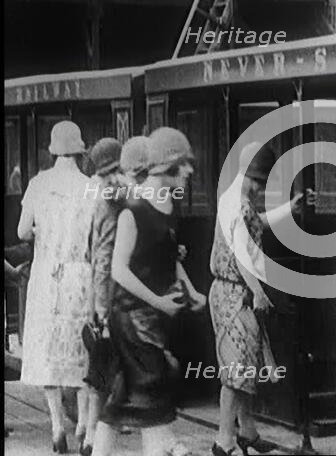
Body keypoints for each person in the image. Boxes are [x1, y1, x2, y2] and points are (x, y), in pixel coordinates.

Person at [92, 129, 205, 456]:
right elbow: (118, 270)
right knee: (154, 394)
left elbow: (168, 257)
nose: (189, 172)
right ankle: (164, 448)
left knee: (121, 398)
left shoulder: (169, 205)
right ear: (165, 167)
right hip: (132, 320)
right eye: (183, 165)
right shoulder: (134, 209)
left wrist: (190, 290)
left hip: (153, 317)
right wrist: (158, 301)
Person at [209, 142, 313, 456]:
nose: (259, 188)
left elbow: (256, 222)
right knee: (236, 374)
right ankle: (223, 441)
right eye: (258, 181)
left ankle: (248, 432)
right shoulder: (238, 205)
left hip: (229, 292)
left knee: (241, 367)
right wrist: (257, 291)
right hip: (236, 294)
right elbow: (242, 256)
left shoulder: (233, 199)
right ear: (249, 177)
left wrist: (288, 210)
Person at [17, 121, 96, 453]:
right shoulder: (90, 185)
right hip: (80, 274)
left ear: (53, 150)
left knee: (49, 350)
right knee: (82, 350)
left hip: (47, 274)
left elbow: (22, 232)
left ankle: (56, 426)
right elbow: (96, 236)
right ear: (79, 151)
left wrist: (41, 231)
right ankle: (82, 425)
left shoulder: (38, 183)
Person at [78, 137, 123, 456]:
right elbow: (103, 258)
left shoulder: (97, 196)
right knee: (107, 374)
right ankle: (96, 437)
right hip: (112, 298)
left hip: (97, 292)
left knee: (98, 373)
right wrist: (102, 307)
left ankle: (90, 434)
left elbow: (90, 252)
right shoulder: (110, 200)